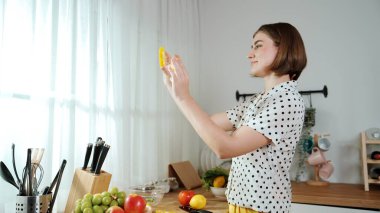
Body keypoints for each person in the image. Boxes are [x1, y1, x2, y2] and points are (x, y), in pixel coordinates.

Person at [161, 22, 307, 213]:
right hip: (240, 204)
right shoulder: (259, 100)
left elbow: (225, 147)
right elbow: (209, 124)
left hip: (262, 208)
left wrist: (184, 96)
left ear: (283, 49)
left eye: (258, 45)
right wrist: (176, 91)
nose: (250, 54)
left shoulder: (286, 100)